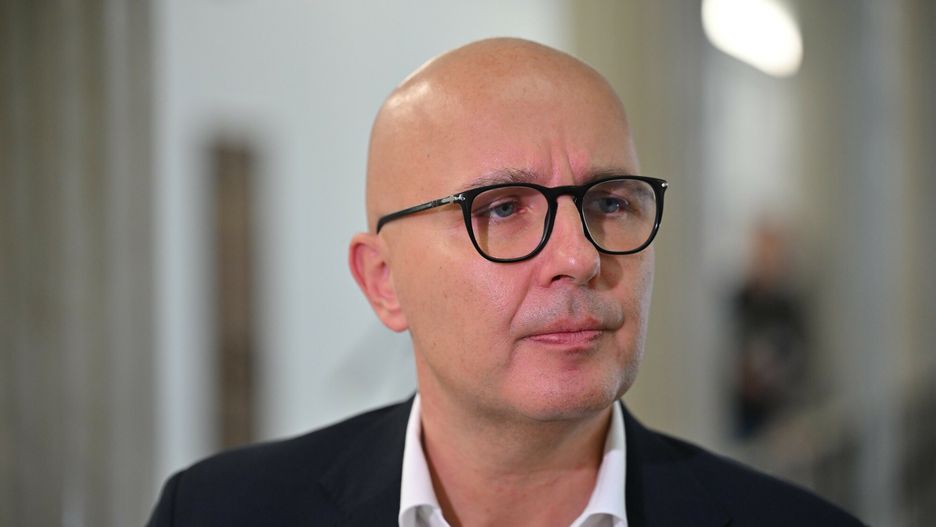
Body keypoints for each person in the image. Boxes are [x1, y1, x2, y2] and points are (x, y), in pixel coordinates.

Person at [147, 38, 864, 526]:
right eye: (502, 209)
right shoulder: (217, 513)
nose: (579, 257)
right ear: (385, 282)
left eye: (610, 203)